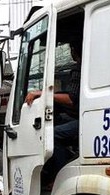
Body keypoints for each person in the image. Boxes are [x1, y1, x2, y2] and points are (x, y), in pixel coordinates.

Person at [25, 38, 82, 172]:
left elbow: (71, 99)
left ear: (74, 51)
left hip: (85, 120)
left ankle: (62, 172)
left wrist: (43, 94)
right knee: (58, 122)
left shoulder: (79, 70)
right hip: (83, 117)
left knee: (50, 135)